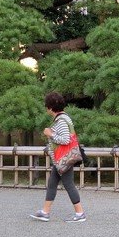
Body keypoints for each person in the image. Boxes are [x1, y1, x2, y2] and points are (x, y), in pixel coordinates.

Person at [29, 92, 86, 223]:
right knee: (52, 183)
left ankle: (80, 213)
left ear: (50, 107)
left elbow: (65, 139)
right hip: (61, 159)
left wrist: (50, 134)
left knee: (68, 184)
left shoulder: (61, 120)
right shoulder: (64, 118)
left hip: (64, 159)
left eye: (46, 106)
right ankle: (45, 212)